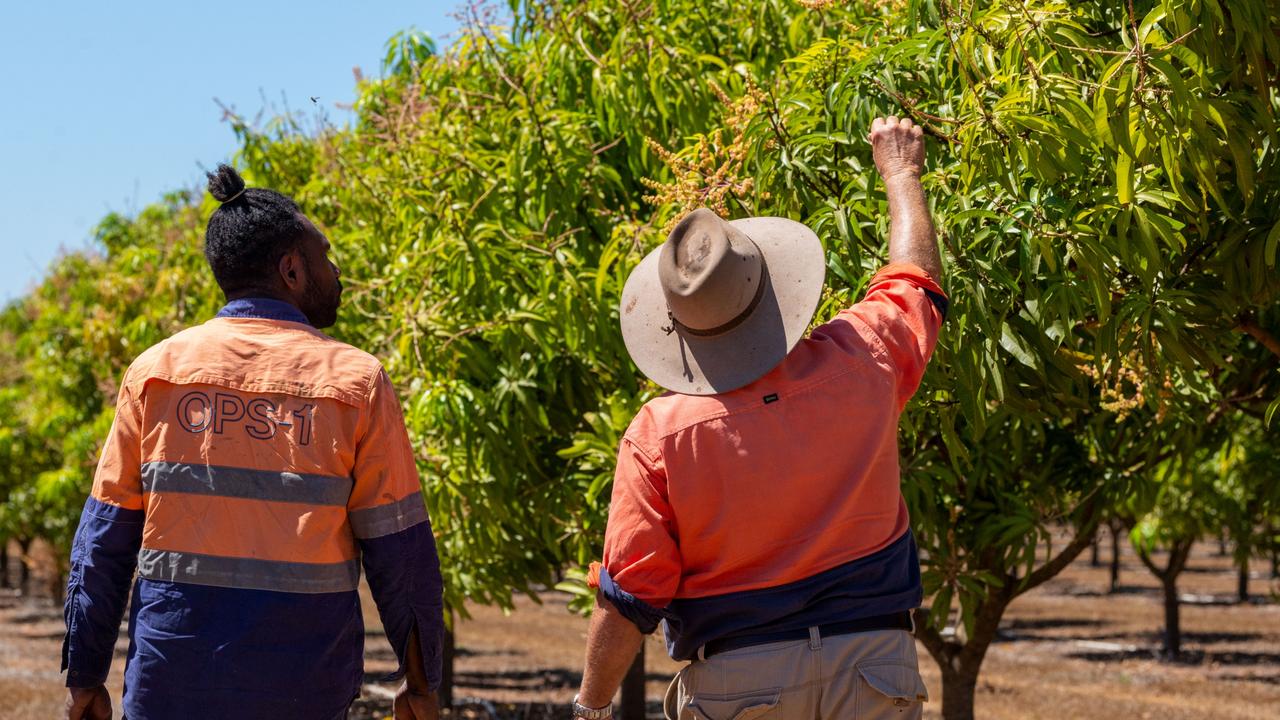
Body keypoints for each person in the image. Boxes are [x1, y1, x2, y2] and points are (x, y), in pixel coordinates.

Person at [573, 116, 946, 720]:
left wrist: (590, 707)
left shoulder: (660, 436)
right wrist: (902, 174)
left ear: (680, 334)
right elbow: (916, 282)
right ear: (775, 290)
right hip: (875, 666)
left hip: (737, 686)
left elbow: (633, 597)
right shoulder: (864, 354)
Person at [61, 165, 443, 720]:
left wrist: (85, 676)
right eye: (324, 257)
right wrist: (423, 683)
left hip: (172, 681)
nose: (336, 273)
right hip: (306, 689)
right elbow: (401, 552)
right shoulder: (356, 383)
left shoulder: (157, 373)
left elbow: (103, 541)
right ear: (291, 269)